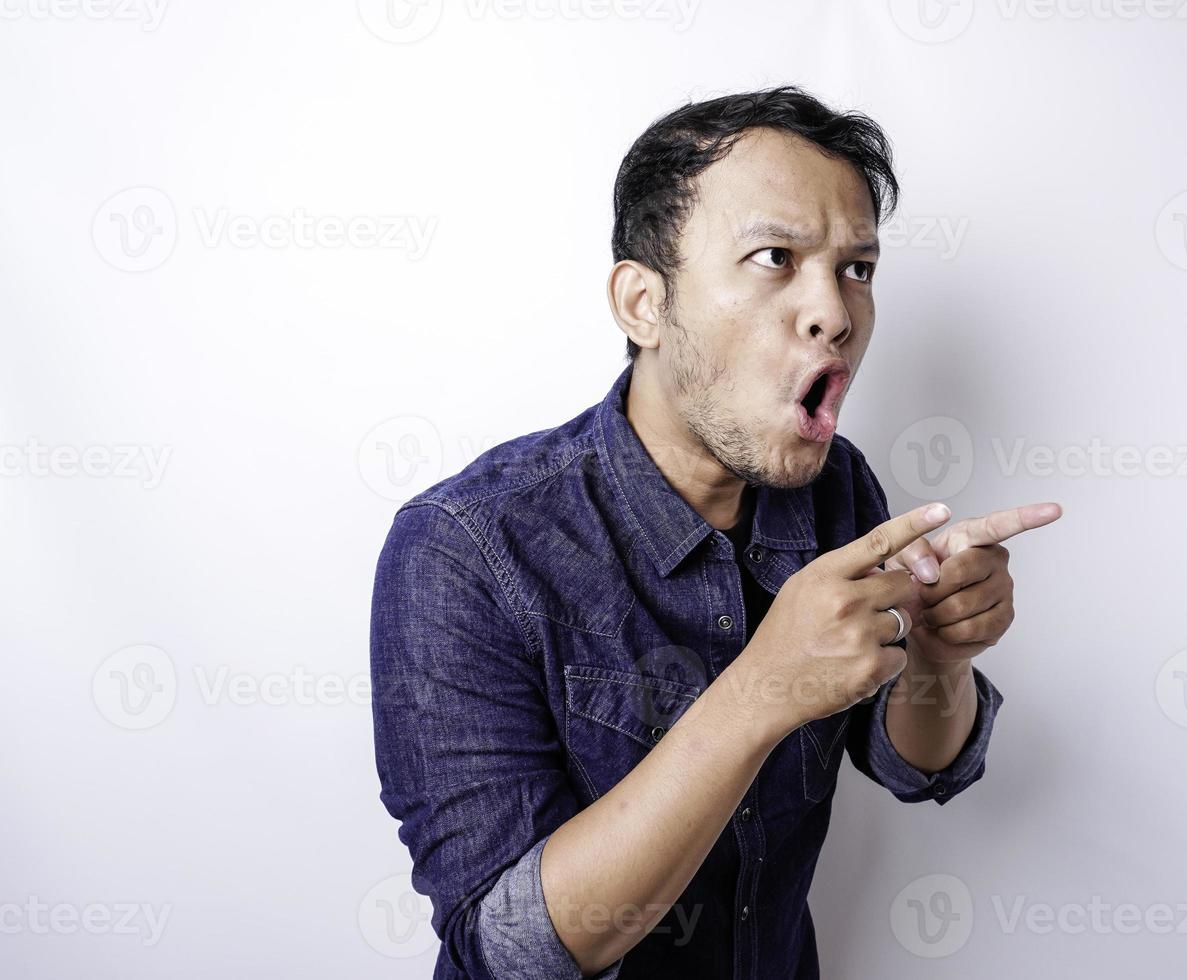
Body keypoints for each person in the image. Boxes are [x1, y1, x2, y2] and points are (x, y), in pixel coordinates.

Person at [369, 84, 1061, 979]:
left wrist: (938, 656)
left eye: (858, 267)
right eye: (776, 256)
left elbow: (912, 765)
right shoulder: (462, 548)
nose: (836, 315)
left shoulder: (837, 489)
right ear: (642, 304)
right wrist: (762, 691)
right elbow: (511, 949)